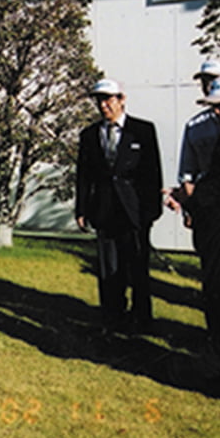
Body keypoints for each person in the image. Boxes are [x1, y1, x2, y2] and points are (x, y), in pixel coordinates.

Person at [75, 78, 162, 332]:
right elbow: (83, 176)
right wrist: (81, 209)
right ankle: (112, 317)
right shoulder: (90, 135)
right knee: (108, 268)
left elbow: (152, 173)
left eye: (109, 99)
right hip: (104, 210)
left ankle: (142, 319)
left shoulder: (143, 131)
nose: (104, 106)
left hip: (134, 211)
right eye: (99, 100)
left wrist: (150, 210)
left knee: (137, 266)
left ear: (121, 99)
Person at [166, 78, 220, 378]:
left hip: (210, 210)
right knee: (213, 286)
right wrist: (187, 201)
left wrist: (187, 198)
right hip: (211, 222)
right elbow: (195, 177)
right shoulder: (198, 128)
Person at [177, 60, 220, 204]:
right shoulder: (195, 126)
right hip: (207, 203)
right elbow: (187, 172)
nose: (207, 85)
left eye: (213, 79)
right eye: (204, 81)